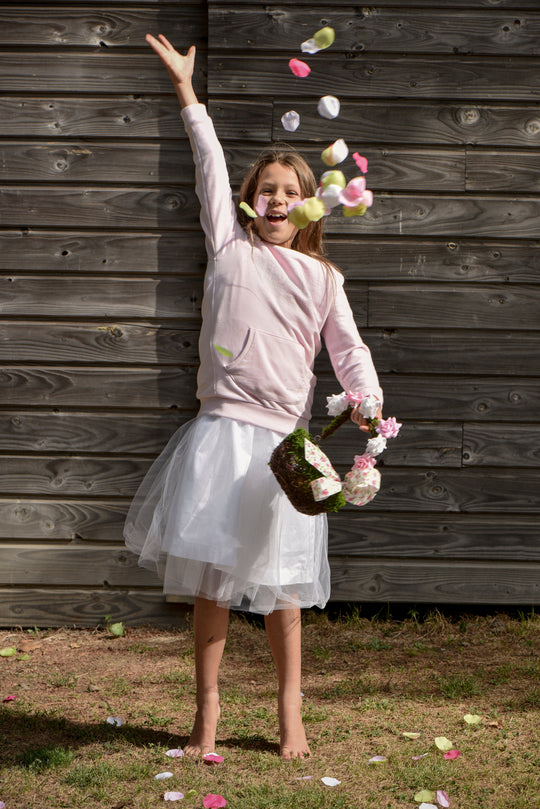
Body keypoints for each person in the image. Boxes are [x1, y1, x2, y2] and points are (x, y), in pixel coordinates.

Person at [124, 34, 383, 760]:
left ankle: (290, 712)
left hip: (280, 449)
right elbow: (207, 166)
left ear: (311, 207)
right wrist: (187, 93)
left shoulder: (324, 280)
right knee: (211, 583)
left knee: (282, 591)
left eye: (290, 192)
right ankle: (205, 715)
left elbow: (349, 349)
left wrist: (364, 398)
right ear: (247, 200)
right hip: (221, 433)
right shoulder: (229, 248)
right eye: (265, 189)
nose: (276, 200)